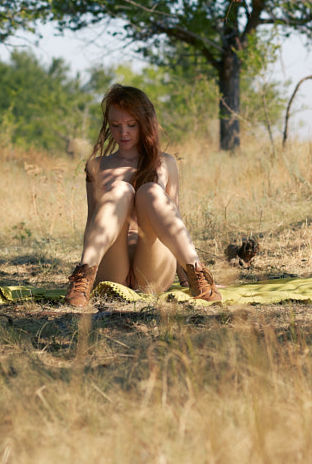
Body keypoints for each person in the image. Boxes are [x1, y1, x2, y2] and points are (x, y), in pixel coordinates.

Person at [64, 84, 221, 307]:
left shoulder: (165, 163)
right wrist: (84, 271)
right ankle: (82, 280)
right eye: (116, 125)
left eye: (131, 125)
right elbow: (93, 223)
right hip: (111, 266)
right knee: (122, 190)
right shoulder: (97, 165)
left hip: (152, 267)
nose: (123, 133)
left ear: (145, 123)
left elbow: (174, 220)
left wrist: (184, 277)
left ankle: (198, 274)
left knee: (150, 191)